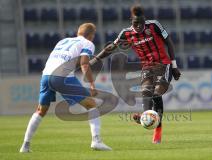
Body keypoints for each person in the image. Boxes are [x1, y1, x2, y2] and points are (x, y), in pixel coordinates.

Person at [90, 5, 181, 144]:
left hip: (164, 64)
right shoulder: (126, 33)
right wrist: (95, 59)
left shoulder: (154, 25)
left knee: (156, 93)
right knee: (146, 91)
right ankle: (147, 117)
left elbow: (168, 42)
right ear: (131, 20)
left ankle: (157, 129)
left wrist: (174, 66)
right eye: (135, 23)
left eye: (141, 22)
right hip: (147, 66)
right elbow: (111, 48)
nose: (139, 26)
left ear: (145, 19)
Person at [19, 23, 112, 152]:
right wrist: (91, 84)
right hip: (62, 76)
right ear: (91, 35)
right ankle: (96, 141)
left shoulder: (64, 40)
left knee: (40, 110)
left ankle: (25, 145)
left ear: (78, 32)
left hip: (46, 75)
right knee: (92, 104)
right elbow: (84, 64)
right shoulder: (88, 43)